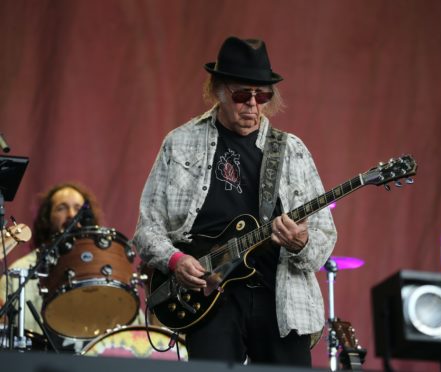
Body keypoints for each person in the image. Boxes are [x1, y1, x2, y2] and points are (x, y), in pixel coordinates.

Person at [134, 36, 337, 366]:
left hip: (282, 302)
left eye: (263, 96)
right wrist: (175, 261)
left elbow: (325, 237)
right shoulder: (180, 143)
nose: (253, 105)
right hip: (211, 299)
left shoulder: (292, 150)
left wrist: (300, 242)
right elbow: (147, 231)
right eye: (243, 95)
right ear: (218, 90)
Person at [1, 182, 142, 352]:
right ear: (47, 219)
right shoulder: (19, 271)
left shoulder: (107, 270)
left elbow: (137, 335)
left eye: (78, 208)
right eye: (61, 208)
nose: (71, 215)